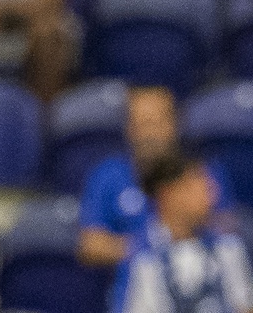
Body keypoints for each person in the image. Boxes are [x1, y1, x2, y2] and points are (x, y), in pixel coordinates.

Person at [80, 86, 238, 270]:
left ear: (175, 124)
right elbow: (91, 244)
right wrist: (149, 246)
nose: (150, 134)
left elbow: (227, 229)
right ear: (128, 128)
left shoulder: (201, 173)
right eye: (142, 124)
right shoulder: (108, 175)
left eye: (157, 123)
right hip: (134, 288)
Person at [117, 153, 253, 313]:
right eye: (198, 186)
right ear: (168, 193)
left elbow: (250, 306)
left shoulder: (227, 247)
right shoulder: (142, 257)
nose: (211, 196)